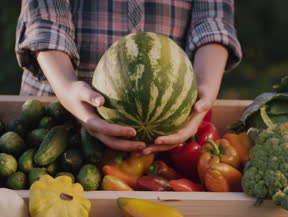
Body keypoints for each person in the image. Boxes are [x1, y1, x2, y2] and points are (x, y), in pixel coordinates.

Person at [15, 0, 242, 154]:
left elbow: (213, 19)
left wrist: (205, 86)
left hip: (170, 136)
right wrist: (66, 87)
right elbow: (46, 17)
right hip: (58, 111)